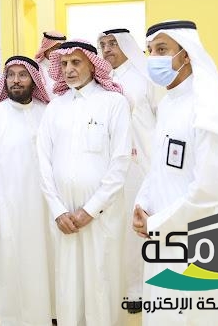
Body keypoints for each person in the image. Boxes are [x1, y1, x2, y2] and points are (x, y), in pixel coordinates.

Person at [133, 20, 218, 325]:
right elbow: (158, 168)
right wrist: (142, 204)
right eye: (150, 50)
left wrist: (156, 223)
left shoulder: (209, 107)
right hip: (164, 234)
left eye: (162, 49)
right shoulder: (168, 104)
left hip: (204, 240)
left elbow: (207, 192)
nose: (154, 58)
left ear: (186, 55)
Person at [37, 40, 132, 325]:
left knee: (101, 282)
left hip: (101, 215)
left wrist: (90, 210)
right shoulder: (55, 107)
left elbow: (120, 163)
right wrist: (57, 210)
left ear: (92, 65)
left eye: (76, 62)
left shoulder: (114, 103)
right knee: (68, 284)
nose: (68, 69)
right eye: (64, 63)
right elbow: (43, 161)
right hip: (63, 216)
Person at [0, 55, 53, 326]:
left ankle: (49, 316)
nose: (15, 81)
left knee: (46, 263)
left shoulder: (47, 112)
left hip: (46, 208)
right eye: (10, 75)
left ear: (34, 80)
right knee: (12, 265)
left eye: (22, 75)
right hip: (8, 208)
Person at [98, 28, 158, 312]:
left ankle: (138, 290)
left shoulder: (144, 77)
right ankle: (116, 286)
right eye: (102, 45)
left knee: (137, 227)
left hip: (141, 164)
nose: (107, 49)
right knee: (114, 227)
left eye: (113, 43)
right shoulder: (101, 82)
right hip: (111, 166)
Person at [34, 31, 66, 98]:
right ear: (46, 49)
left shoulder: (65, 67)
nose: (60, 52)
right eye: (57, 48)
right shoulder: (35, 67)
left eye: (62, 48)